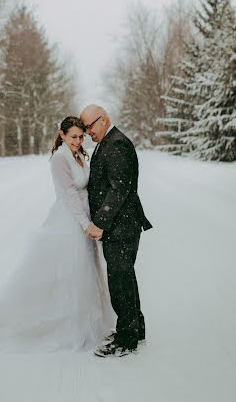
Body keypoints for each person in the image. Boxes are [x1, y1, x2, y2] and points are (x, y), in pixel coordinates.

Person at [0, 116, 115, 353]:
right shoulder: (60, 158)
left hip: (84, 218)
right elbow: (70, 194)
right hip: (70, 221)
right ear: (62, 135)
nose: (78, 140)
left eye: (81, 136)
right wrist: (85, 225)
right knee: (70, 271)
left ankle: (85, 320)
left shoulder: (79, 154)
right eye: (73, 136)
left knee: (85, 271)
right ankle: (65, 325)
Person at [80, 105, 153, 358]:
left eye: (90, 126)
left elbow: (118, 190)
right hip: (119, 227)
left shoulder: (117, 144)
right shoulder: (108, 141)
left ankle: (126, 339)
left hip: (122, 228)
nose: (88, 132)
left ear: (104, 119)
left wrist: (99, 223)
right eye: (85, 127)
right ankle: (135, 329)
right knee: (125, 279)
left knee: (120, 282)